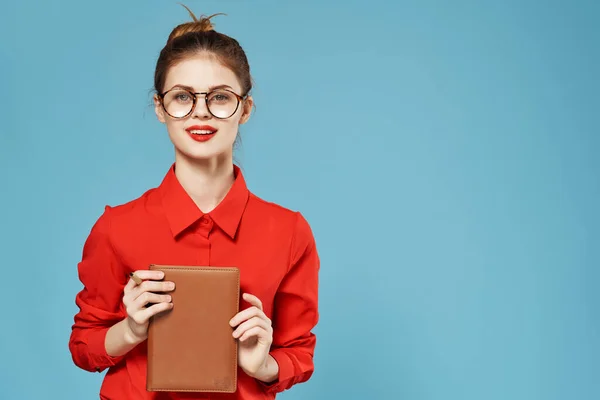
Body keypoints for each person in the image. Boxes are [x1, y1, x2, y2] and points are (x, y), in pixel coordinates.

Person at [68, 5, 320, 399]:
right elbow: (84, 347)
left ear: (246, 109)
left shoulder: (289, 232)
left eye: (220, 97)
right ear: (160, 108)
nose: (200, 112)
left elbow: (299, 353)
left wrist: (264, 365)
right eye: (182, 96)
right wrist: (131, 330)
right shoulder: (116, 228)